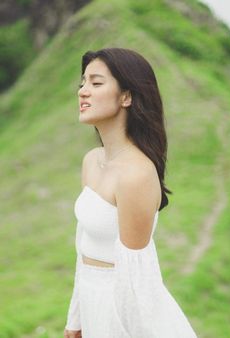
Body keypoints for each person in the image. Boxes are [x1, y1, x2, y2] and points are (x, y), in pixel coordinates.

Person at [64, 47, 198, 338]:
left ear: (126, 96)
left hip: (124, 315)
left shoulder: (136, 174)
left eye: (96, 83)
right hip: (92, 301)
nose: (83, 91)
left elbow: (137, 280)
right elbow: (83, 247)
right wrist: (76, 317)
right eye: (82, 83)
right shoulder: (92, 161)